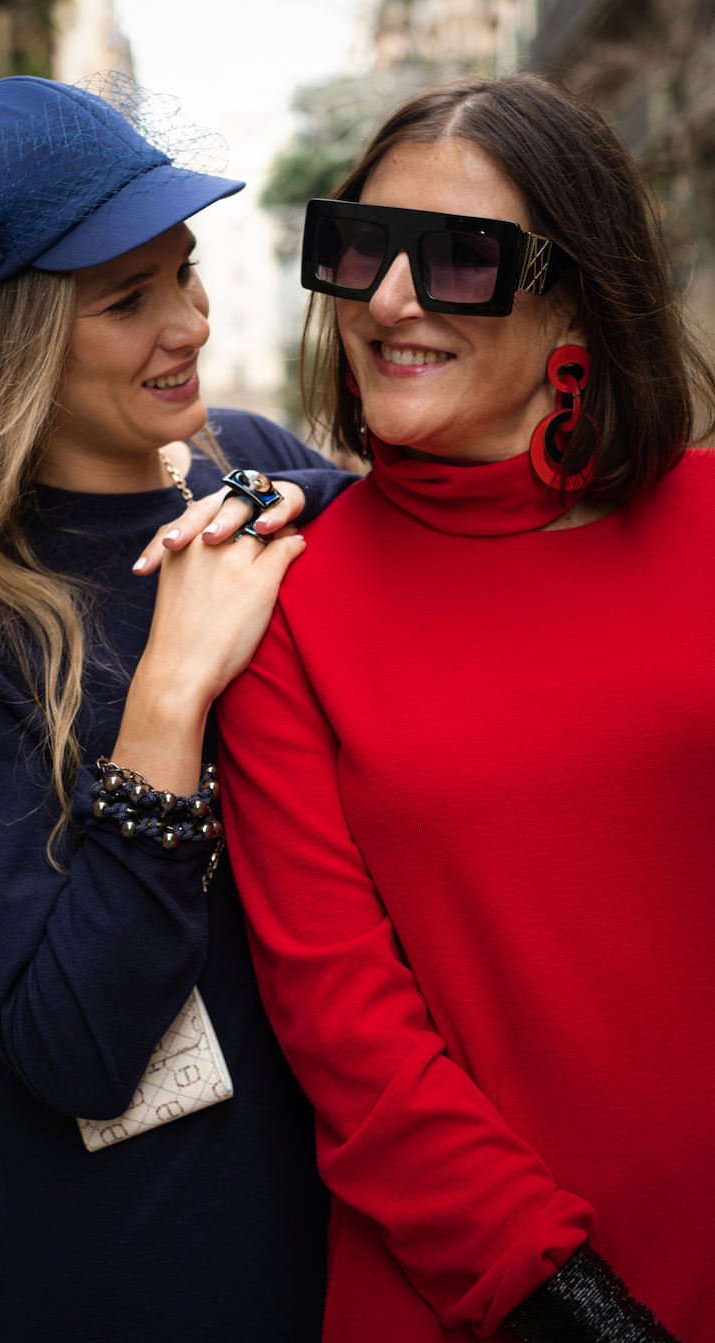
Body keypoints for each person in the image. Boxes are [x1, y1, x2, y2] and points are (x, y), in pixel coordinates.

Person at [0, 74, 356, 1342]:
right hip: (132, 1250)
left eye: (179, 270)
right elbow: (71, 1045)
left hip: (338, 1205)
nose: (185, 318)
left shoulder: (256, 468)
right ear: (7, 345)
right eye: (126, 300)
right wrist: (171, 690)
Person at [218, 74, 715, 1343]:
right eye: (358, 248)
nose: (384, 300)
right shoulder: (290, 602)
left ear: (575, 292)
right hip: (475, 1296)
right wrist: (580, 1309)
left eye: (456, 261)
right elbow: (349, 1036)